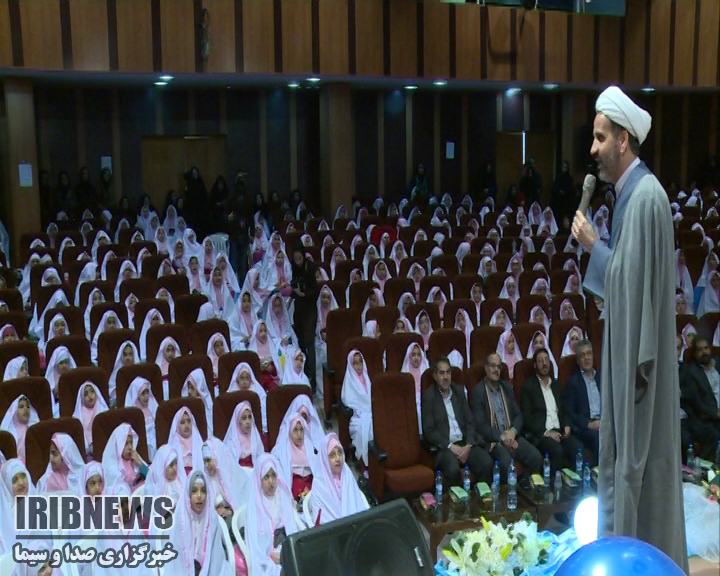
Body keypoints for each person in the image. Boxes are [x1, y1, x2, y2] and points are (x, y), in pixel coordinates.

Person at [571, 86, 687, 570]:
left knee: (641, 477)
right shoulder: (632, 196)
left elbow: (630, 288)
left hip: (641, 376)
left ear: (623, 140)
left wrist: (594, 246)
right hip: (631, 360)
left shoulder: (644, 199)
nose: (593, 148)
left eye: (600, 138)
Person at [470, 353, 542, 484]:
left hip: (512, 436)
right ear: (486, 368)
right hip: (494, 441)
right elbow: (480, 425)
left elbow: (519, 415)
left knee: (535, 457)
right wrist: (502, 437)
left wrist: (513, 432)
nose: (496, 370)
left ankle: (524, 488)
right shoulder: (478, 392)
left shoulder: (506, 388)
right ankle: (507, 494)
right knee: (507, 464)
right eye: (493, 366)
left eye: (499, 367)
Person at [421, 357, 493, 486]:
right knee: (453, 470)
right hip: (445, 448)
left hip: (464, 444)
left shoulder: (458, 391)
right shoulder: (429, 396)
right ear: (435, 376)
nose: (445, 377)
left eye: (448, 372)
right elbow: (429, 431)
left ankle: (481, 496)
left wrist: (469, 445)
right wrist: (450, 446)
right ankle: (457, 499)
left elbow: (470, 422)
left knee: (486, 462)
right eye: (442, 373)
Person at [520, 349, 584, 477]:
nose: (544, 364)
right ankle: (553, 486)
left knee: (577, 448)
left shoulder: (556, 385)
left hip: (560, 432)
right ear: (535, 366)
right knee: (557, 450)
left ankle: (575, 483)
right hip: (542, 435)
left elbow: (564, 409)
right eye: (540, 361)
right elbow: (527, 418)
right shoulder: (528, 387)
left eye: (546, 360)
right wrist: (546, 433)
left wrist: (567, 425)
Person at [309, 433, 369, 526]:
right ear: (324, 460)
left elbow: (358, 507)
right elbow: (321, 522)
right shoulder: (319, 485)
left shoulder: (347, 475)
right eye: (332, 455)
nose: (338, 458)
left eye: (340, 453)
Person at [680, 336, 720, 461]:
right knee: (712, 434)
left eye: (706, 348)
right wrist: (715, 413)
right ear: (694, 353)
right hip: (703, 418)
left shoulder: (718, 364)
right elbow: (697, 403)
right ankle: (707, 468)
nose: (704, 352)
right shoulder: (691, 372)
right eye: (699, 350)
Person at [563, 340, 601, 460]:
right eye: (582, 355)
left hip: (604, 423)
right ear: (578, 360)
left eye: (589, 353)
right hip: (585, 427)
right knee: (599, 438)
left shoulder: (602, 378)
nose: (587, 358)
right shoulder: (573, 383)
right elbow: (570, 413)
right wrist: (588, 424)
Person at [290, 242, 319, 390]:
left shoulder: (311, 268)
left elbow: (315, 291)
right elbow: (294, 286)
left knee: (309, 343)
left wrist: (303, 294)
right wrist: (292, 295)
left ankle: (312, 380)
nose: (298, 262)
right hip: (299, 309)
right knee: (300, 342)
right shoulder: (294, 267)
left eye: (299, 258)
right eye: (295, 259)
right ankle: (303, 374)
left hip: (310, 309)